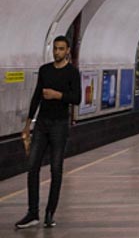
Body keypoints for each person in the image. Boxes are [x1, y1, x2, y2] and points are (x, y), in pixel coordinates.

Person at [15, 36, 81, 230]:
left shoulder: (72, 73)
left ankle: (50, 212)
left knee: (56, 169)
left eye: (61, 49)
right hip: (42, 124)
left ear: (67, 51)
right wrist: (28, 125)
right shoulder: (45, 70)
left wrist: (57, 95)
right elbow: (37, 95)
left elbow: (76, 98)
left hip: (60, 125)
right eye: (55, 49)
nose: (57, 52)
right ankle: (32, 212)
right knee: (32, 167)